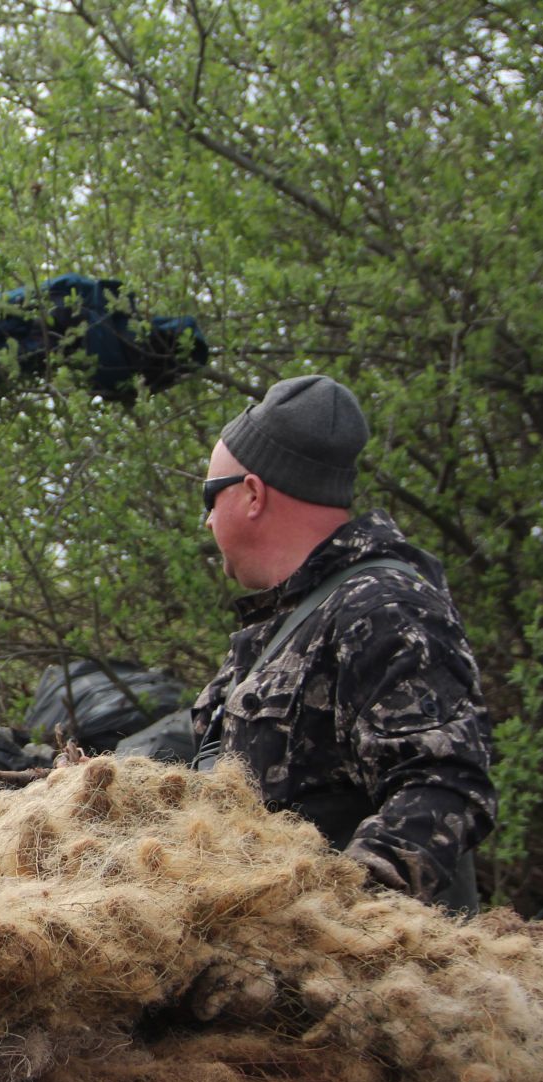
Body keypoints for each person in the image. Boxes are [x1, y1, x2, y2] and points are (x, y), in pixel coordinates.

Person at [191, 374, 496, 911]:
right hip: (266, 965)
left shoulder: (383, 608)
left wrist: (342, 915)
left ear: (253, 494)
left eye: (210, 498)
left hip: (357, 978)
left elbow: (444, 783)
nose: (208, 520)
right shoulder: (287, 626)